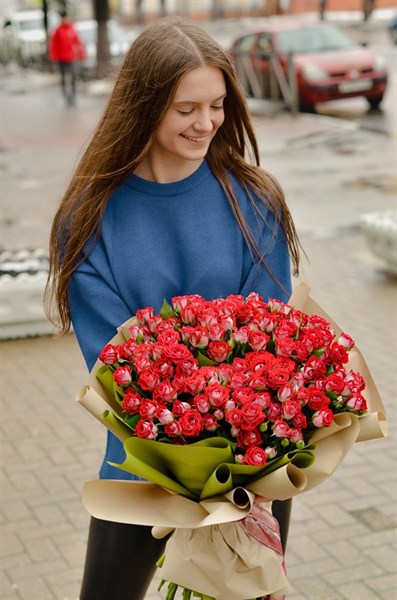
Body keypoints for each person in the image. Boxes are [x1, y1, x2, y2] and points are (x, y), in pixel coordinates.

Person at [45, 16, 301, 600]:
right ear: (145, 104)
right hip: (141, 463)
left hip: (252, 470)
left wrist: (238, 457)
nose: (206, 122)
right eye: (187, 108)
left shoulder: (253, 200)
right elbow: (115, 362)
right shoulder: (88, 218)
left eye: (216, 105)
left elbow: (271, 341)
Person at [49, 11, 86, 105]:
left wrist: (82, 53)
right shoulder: (58, 30)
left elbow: (78, 42)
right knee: (64, 77)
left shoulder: (72, 29)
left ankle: (73, 95)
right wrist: (54, 56)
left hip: (71, 57)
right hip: (61, 58)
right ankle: (66, 95)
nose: (67, 20)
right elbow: (54, 44)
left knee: (73, 75)